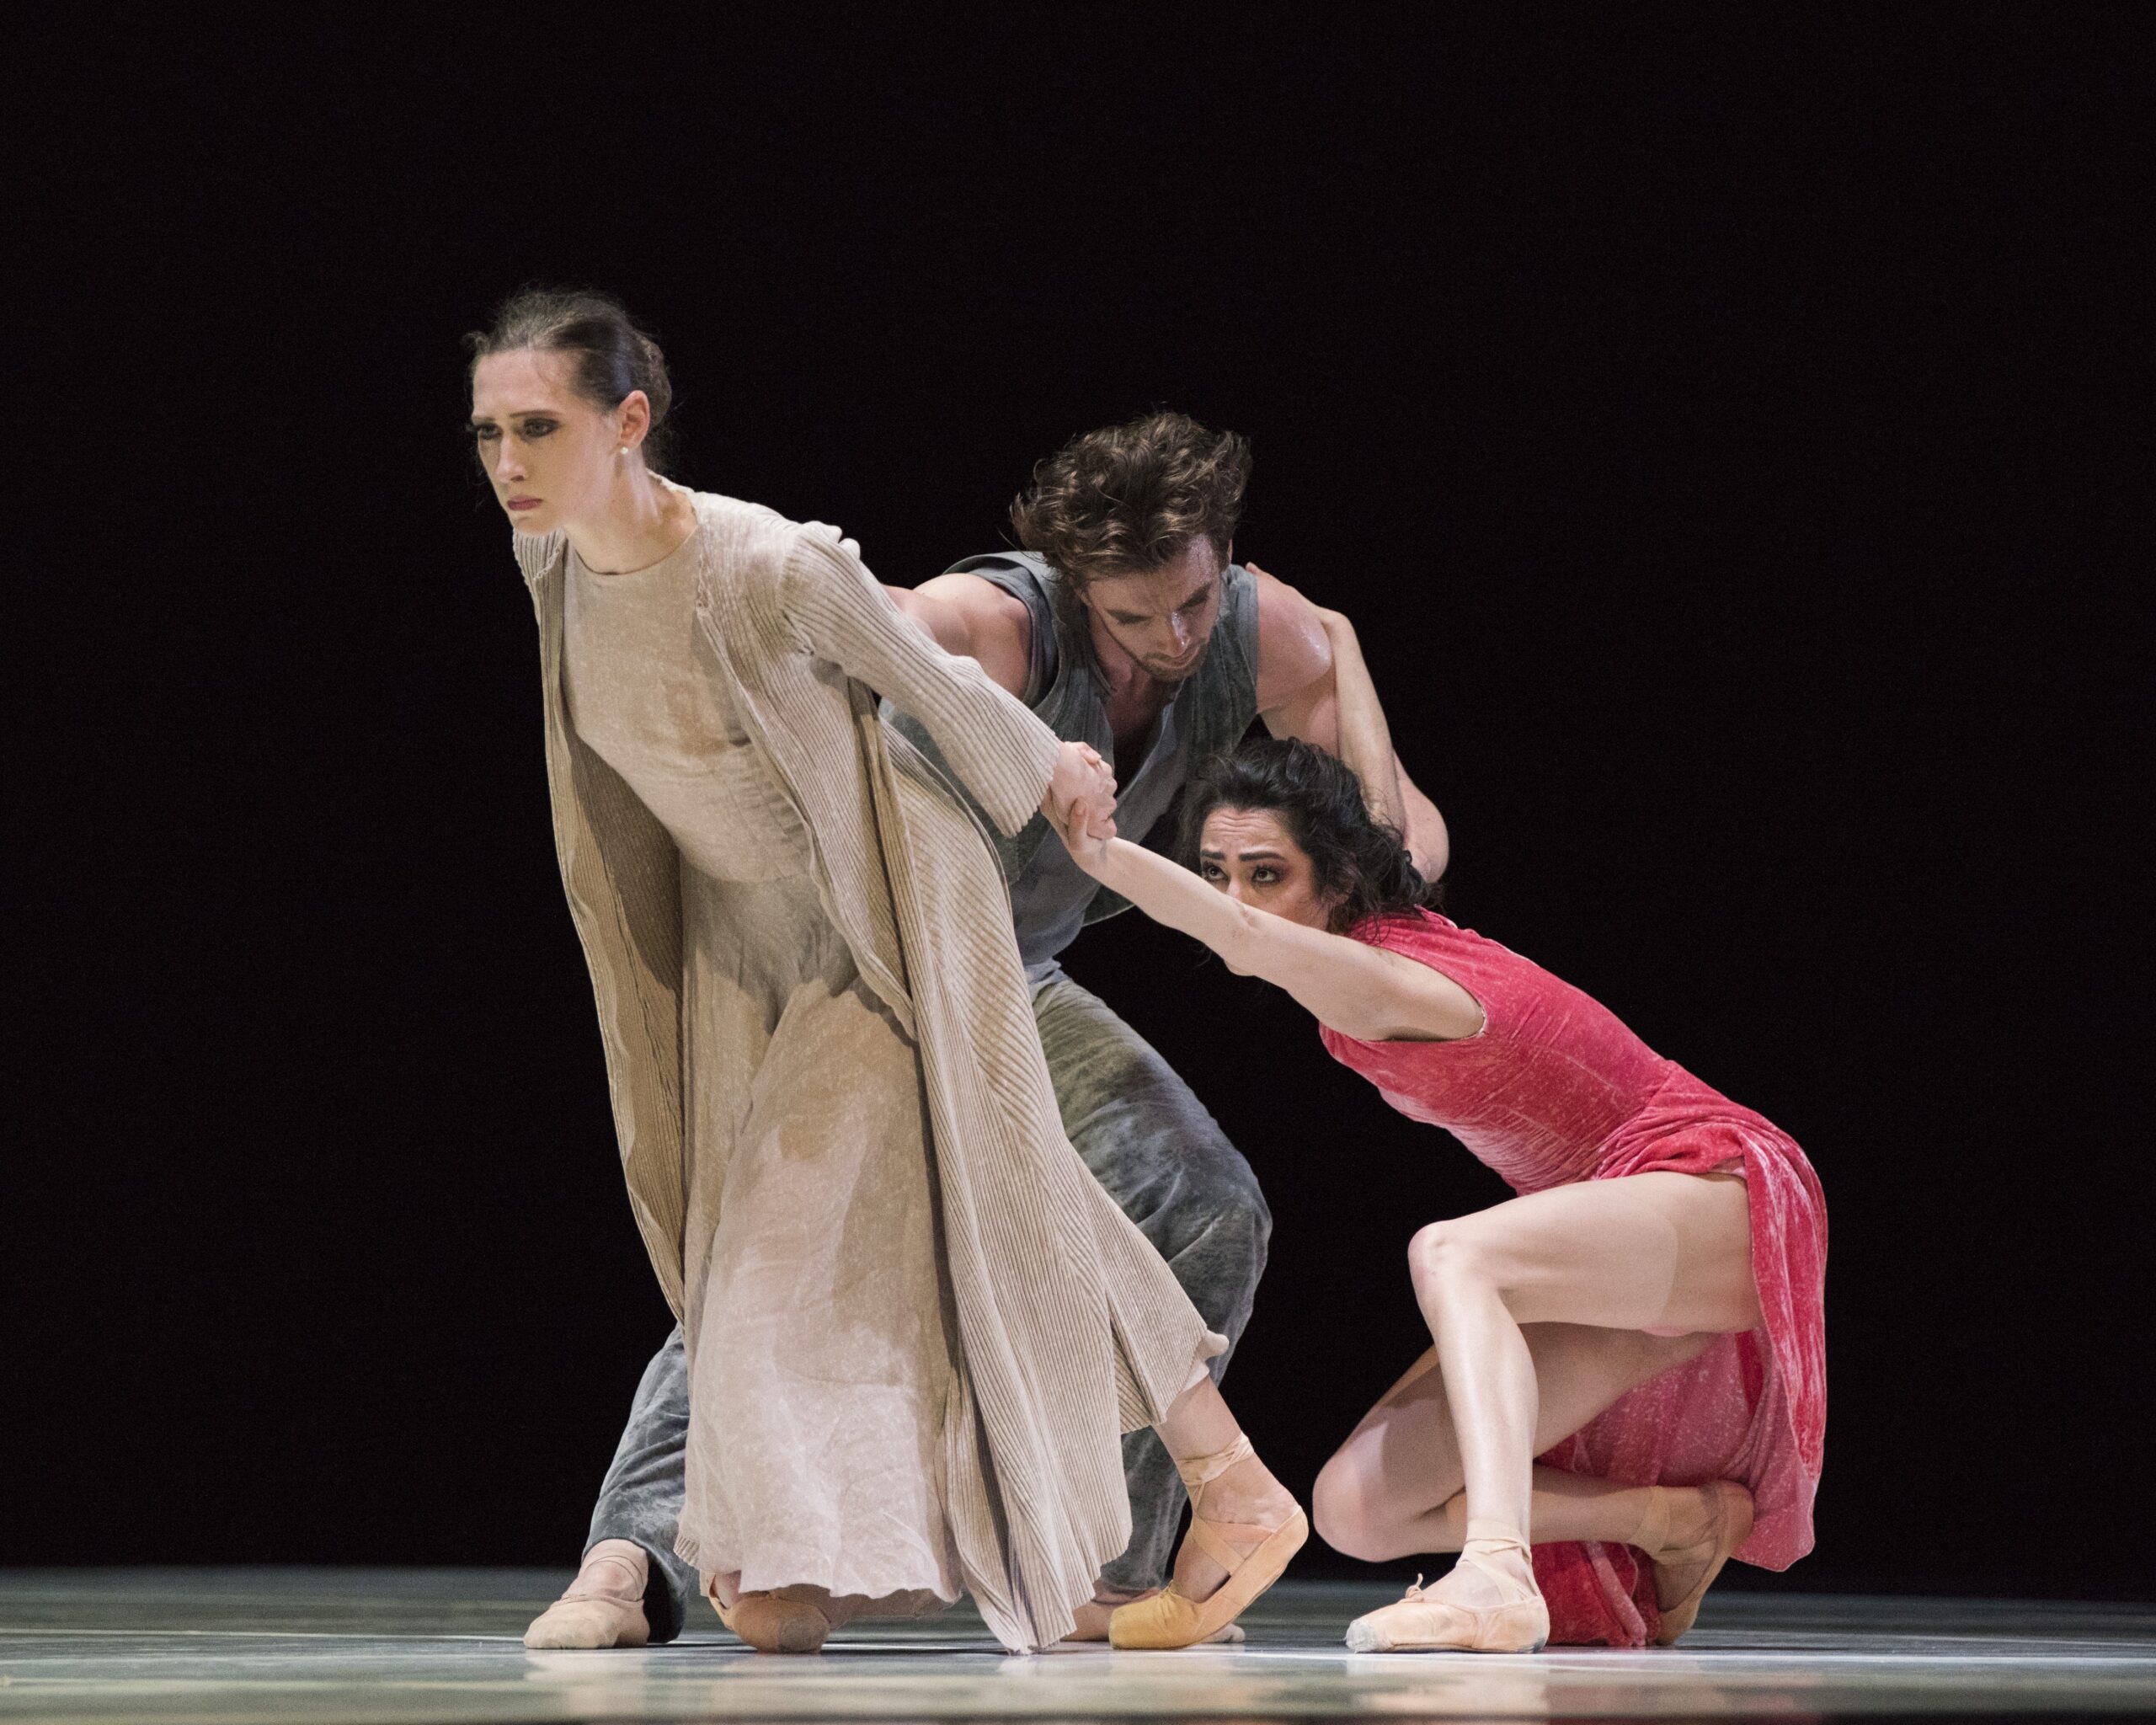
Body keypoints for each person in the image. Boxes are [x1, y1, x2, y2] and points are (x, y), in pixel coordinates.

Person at [526, 411, 1446, 1649]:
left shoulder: (1251, 629)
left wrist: (1351, 703)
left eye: (1189, 602)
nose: (1171, 641)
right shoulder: (1002, 620)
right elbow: (870, 630)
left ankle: (1099, 1569)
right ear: (1079, 589)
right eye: (1133, 618)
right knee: (781, 1252)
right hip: (869, 972)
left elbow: (1404, 845)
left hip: (1021, 982)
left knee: (1206, 1197)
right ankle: (632, 1556)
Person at [1042, 617, 1827, 1653]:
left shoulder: (1387, 979)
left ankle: (1496, 1574)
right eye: (1219, 868)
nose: (1240, 899)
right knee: (1357, 1506)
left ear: (1333, 880)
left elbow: (1235, 937)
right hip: (1615, 1239)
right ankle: (1674, 1520)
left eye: (1265, 873)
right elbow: (1374, 789)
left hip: (1715, 1180)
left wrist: (1091, 846)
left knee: (1451, 1249)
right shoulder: (1396, 870)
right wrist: (1335, 637)